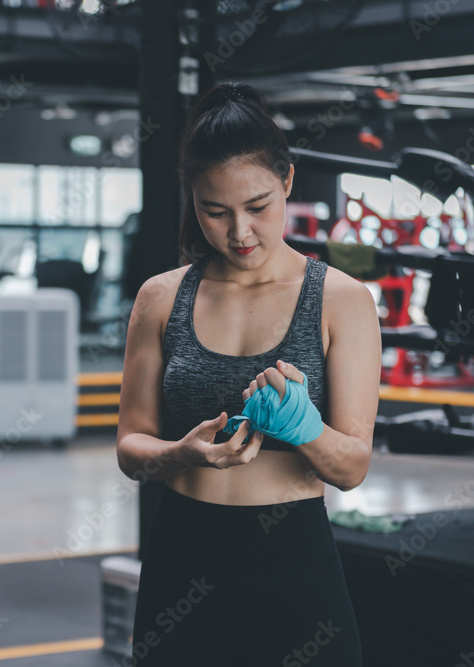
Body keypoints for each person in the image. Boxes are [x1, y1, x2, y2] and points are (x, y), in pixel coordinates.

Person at [116, 80, 381, 666]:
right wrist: (180, 453)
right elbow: (130, 449)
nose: (239, 232)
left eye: (258, 207)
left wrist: (306, 428)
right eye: (215, 211)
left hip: (291, 560)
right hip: (182, 559)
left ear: (287, 182)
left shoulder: (341, 300)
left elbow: (353, 467)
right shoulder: (160, 299)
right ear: (193, 201)